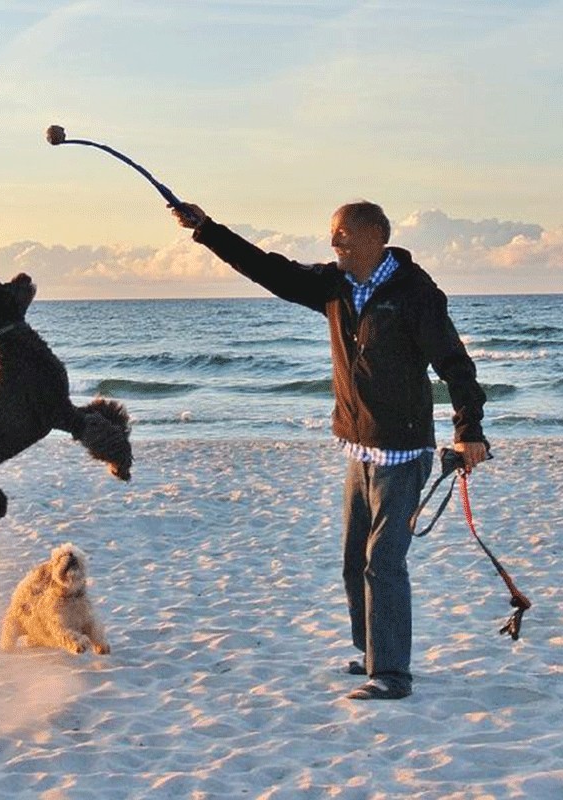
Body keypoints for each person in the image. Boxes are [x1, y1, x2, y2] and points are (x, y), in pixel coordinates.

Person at [172, 200, 489, 700]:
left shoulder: (416, 294)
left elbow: (454, 363)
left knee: (384, 563)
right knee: (353, 561)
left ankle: (391, 674)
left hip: (402, 452)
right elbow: (269, 270)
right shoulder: (333, 285)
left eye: (340, 234)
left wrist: (469, 428)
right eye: (332, 234)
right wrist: (208, 230)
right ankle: (371, 654)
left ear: (372, 238)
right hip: (358, 446)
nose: (332, 242)